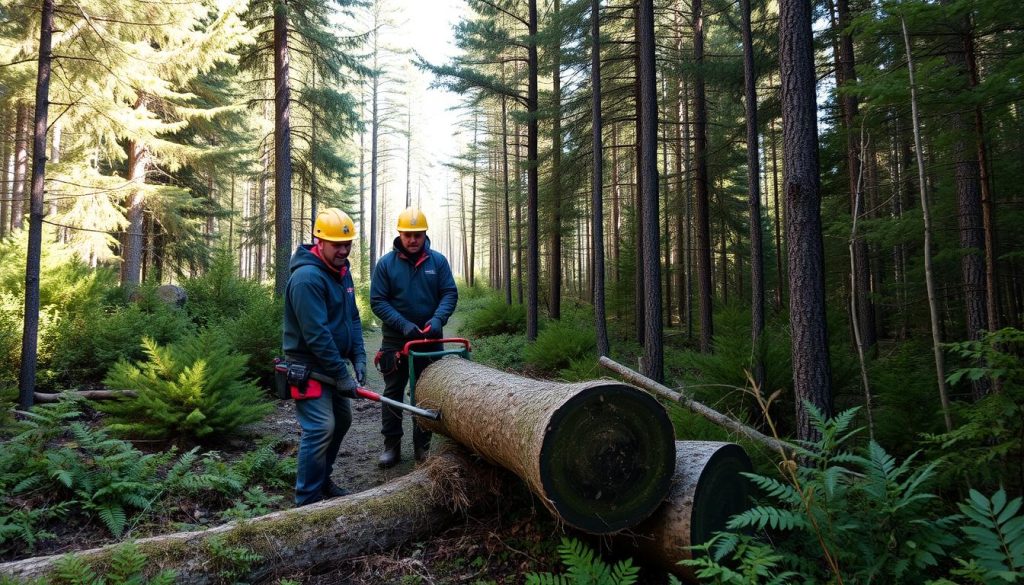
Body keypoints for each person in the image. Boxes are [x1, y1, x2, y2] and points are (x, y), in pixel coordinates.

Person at [282, 208, 366, 506]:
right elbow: (316, 335)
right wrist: (342, 375)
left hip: (332, 365)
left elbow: (353, 317)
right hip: (309, 367)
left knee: (341, 420)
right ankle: (306, 500)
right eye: (337, 245)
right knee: (321, 427)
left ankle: (322, 479)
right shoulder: (307, 279)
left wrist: (358, 356)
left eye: (348, 244)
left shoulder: (342, 272)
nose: (344, 250)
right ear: (319, 241)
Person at [371, 206, 458, 467]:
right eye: (408, 234)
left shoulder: (438, 262)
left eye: (417, 235)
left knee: (425, 393)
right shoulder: (386, 264)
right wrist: (402, 323)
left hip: (430, 340)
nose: (412, 240)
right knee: (393, 392)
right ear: (399, 233)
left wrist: (437, 320)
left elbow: (449, 294)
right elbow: (377, 300)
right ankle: (391, 447)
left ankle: (423, 447)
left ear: (424, 235)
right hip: (396, 341)